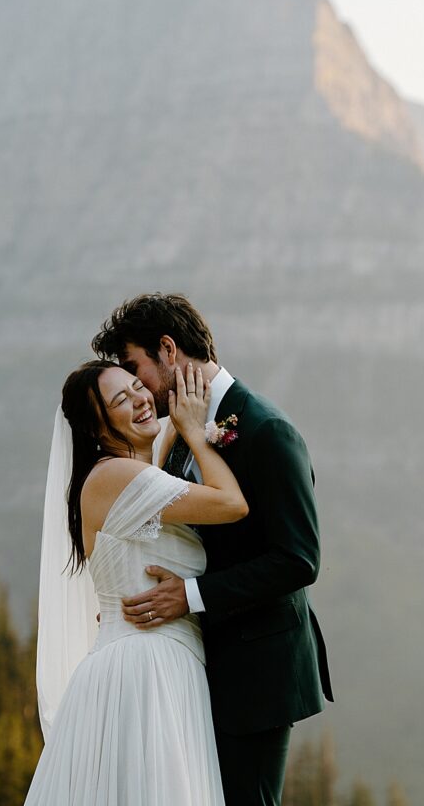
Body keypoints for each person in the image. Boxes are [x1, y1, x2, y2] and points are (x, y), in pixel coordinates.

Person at [92, 293, 333, 806]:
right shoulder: (180, 430)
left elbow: (299, 557)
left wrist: (191, 597)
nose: (139, 389)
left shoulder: (268, 430)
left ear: (168, 349)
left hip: (258, 671)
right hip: (198, 664)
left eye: (136, 368)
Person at [24, 358, 248, 805]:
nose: (141, 400)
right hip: (145, 668)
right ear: (97, 427)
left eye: (136, 386)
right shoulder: (113, 476)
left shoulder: (139, 471)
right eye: (120, 400)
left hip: (164, 661)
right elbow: (230, 503)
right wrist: (192, 429)